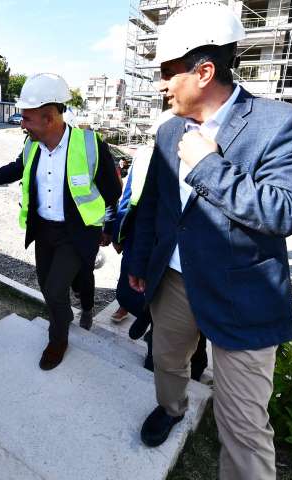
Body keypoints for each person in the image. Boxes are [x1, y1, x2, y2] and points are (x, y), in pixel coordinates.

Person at [127, 3, 292, 478]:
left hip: (242, 298)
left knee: (245, 426)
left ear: (204, 71)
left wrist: (210, 166)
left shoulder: (285, 124)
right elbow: (154, 204)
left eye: (168, 72)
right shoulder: (169, 130)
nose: (161, 84)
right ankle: (170, 410)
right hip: (173, 281)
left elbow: (285, 212)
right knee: (167, 363)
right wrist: (139, 260)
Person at [0, 73, 121, 371]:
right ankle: (67, 315)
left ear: (48, 118)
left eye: (27, 119)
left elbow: (112, 191)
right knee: (47, 286)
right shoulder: (32, 145)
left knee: (56, 290)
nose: (22, 124)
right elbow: (14, 169)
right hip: (44, 231)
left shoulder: (89, 144)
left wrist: (107, 228)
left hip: (76, 233)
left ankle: (58, 338)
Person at [111, 110, 208, 378]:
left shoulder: (201, 156)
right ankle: (146, 325)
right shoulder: (145, 156)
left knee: (186, 321)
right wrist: (119, 232)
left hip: (182, 251)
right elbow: (129, 196)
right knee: (145, 293)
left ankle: (190, 364)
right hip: (145, 237)